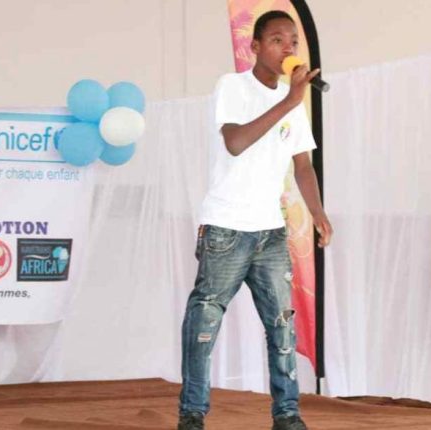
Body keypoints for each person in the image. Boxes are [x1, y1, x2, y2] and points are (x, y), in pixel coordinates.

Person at [177, 10, 333, 430]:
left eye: (294, 41)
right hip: (226, 227)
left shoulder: (293, 102)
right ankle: (192, 412)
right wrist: (289, 102)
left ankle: (287, 414)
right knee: (204, 324)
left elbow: (303, 166)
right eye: (278, 40)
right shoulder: (234, 86)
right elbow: (235, 142)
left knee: (282, 327)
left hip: (270, 232)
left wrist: (318, 213)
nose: (288, 48)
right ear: (256, 47)